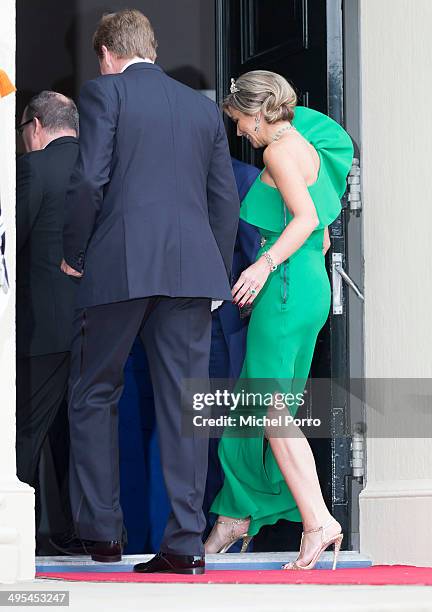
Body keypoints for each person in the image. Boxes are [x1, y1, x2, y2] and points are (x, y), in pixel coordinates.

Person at [61, 9, 239, 573]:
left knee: (93, 393)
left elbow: (90, 179)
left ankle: (103, 534)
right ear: (152, 50)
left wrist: (76, 253)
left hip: (120, 266)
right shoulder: (200, 108)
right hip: (190, 273)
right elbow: (224, 201)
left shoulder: (104, 94)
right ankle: (185, 544)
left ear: (109, 54)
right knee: (186, 403)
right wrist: (212, 271)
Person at [205, 71, 354, 570]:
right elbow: (324, 233)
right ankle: (234, 515)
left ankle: (317, 521)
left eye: (241, 122)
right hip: (306, 282)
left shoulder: (278, 151)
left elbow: (307, 219)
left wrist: (263, 263)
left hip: (286, 287)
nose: (240, 133)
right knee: (256, 403)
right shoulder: (306, 141)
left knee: (269, 409)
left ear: (257, 111)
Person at [15, 91, 80, 549]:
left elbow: (11, 243)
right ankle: (90, 534)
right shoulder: (106, 167)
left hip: (45, 326)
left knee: (27, 431)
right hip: (102, 323)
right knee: (89, 431)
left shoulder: (33, 168)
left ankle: (15, 533)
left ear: (35, 126)